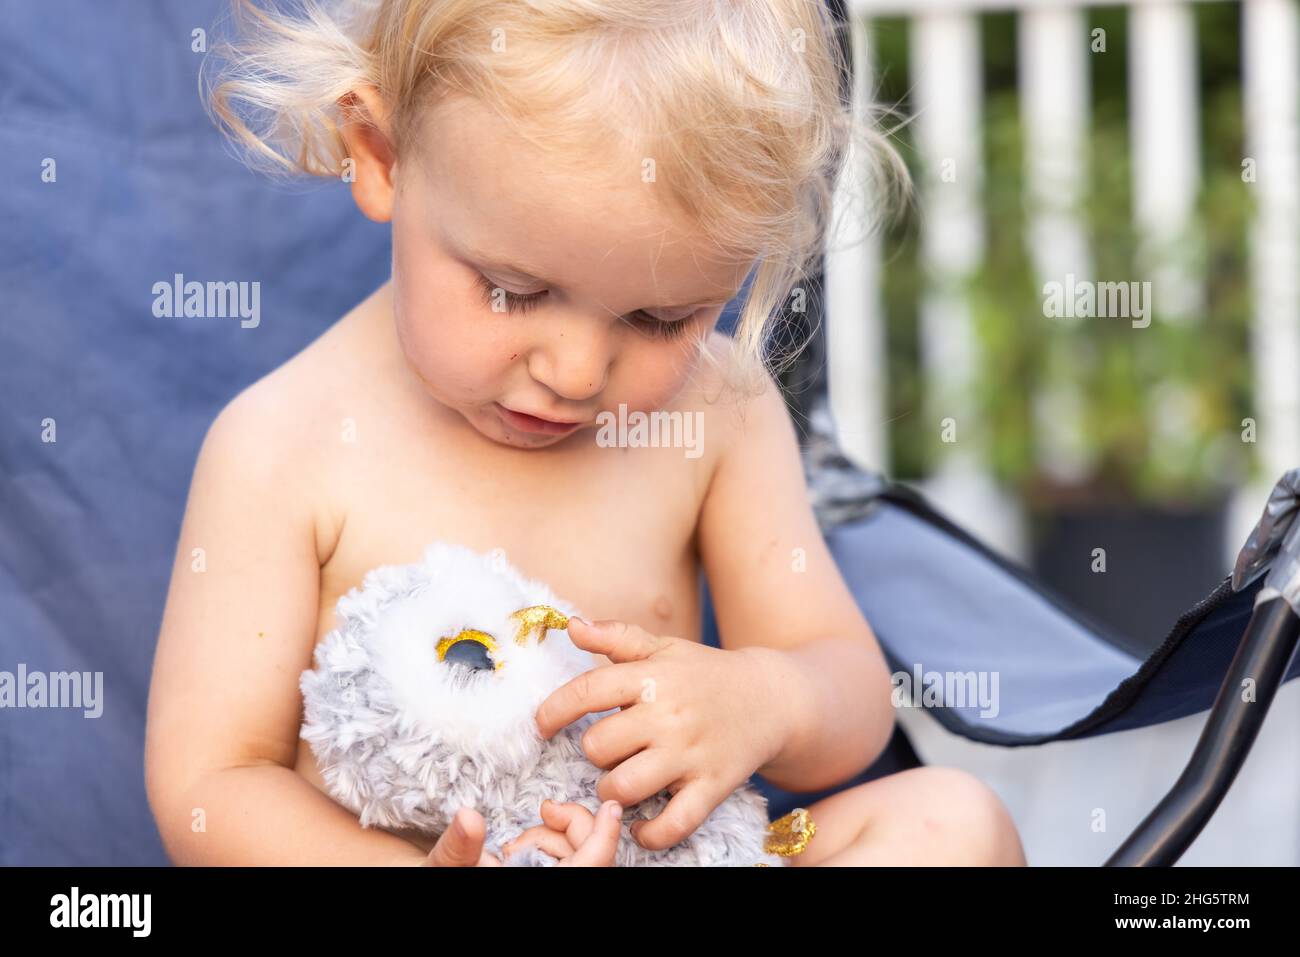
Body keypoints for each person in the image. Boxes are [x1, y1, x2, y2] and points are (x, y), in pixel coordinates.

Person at [144, 0, 1026, 867]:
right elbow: (211, 782)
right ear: (379, 157)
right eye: (514, 290)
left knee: (953, 822)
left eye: (656, 317)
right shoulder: (280, 446)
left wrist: (766, 698)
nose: (574, 372)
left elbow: (849, 689)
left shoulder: (717, 413)